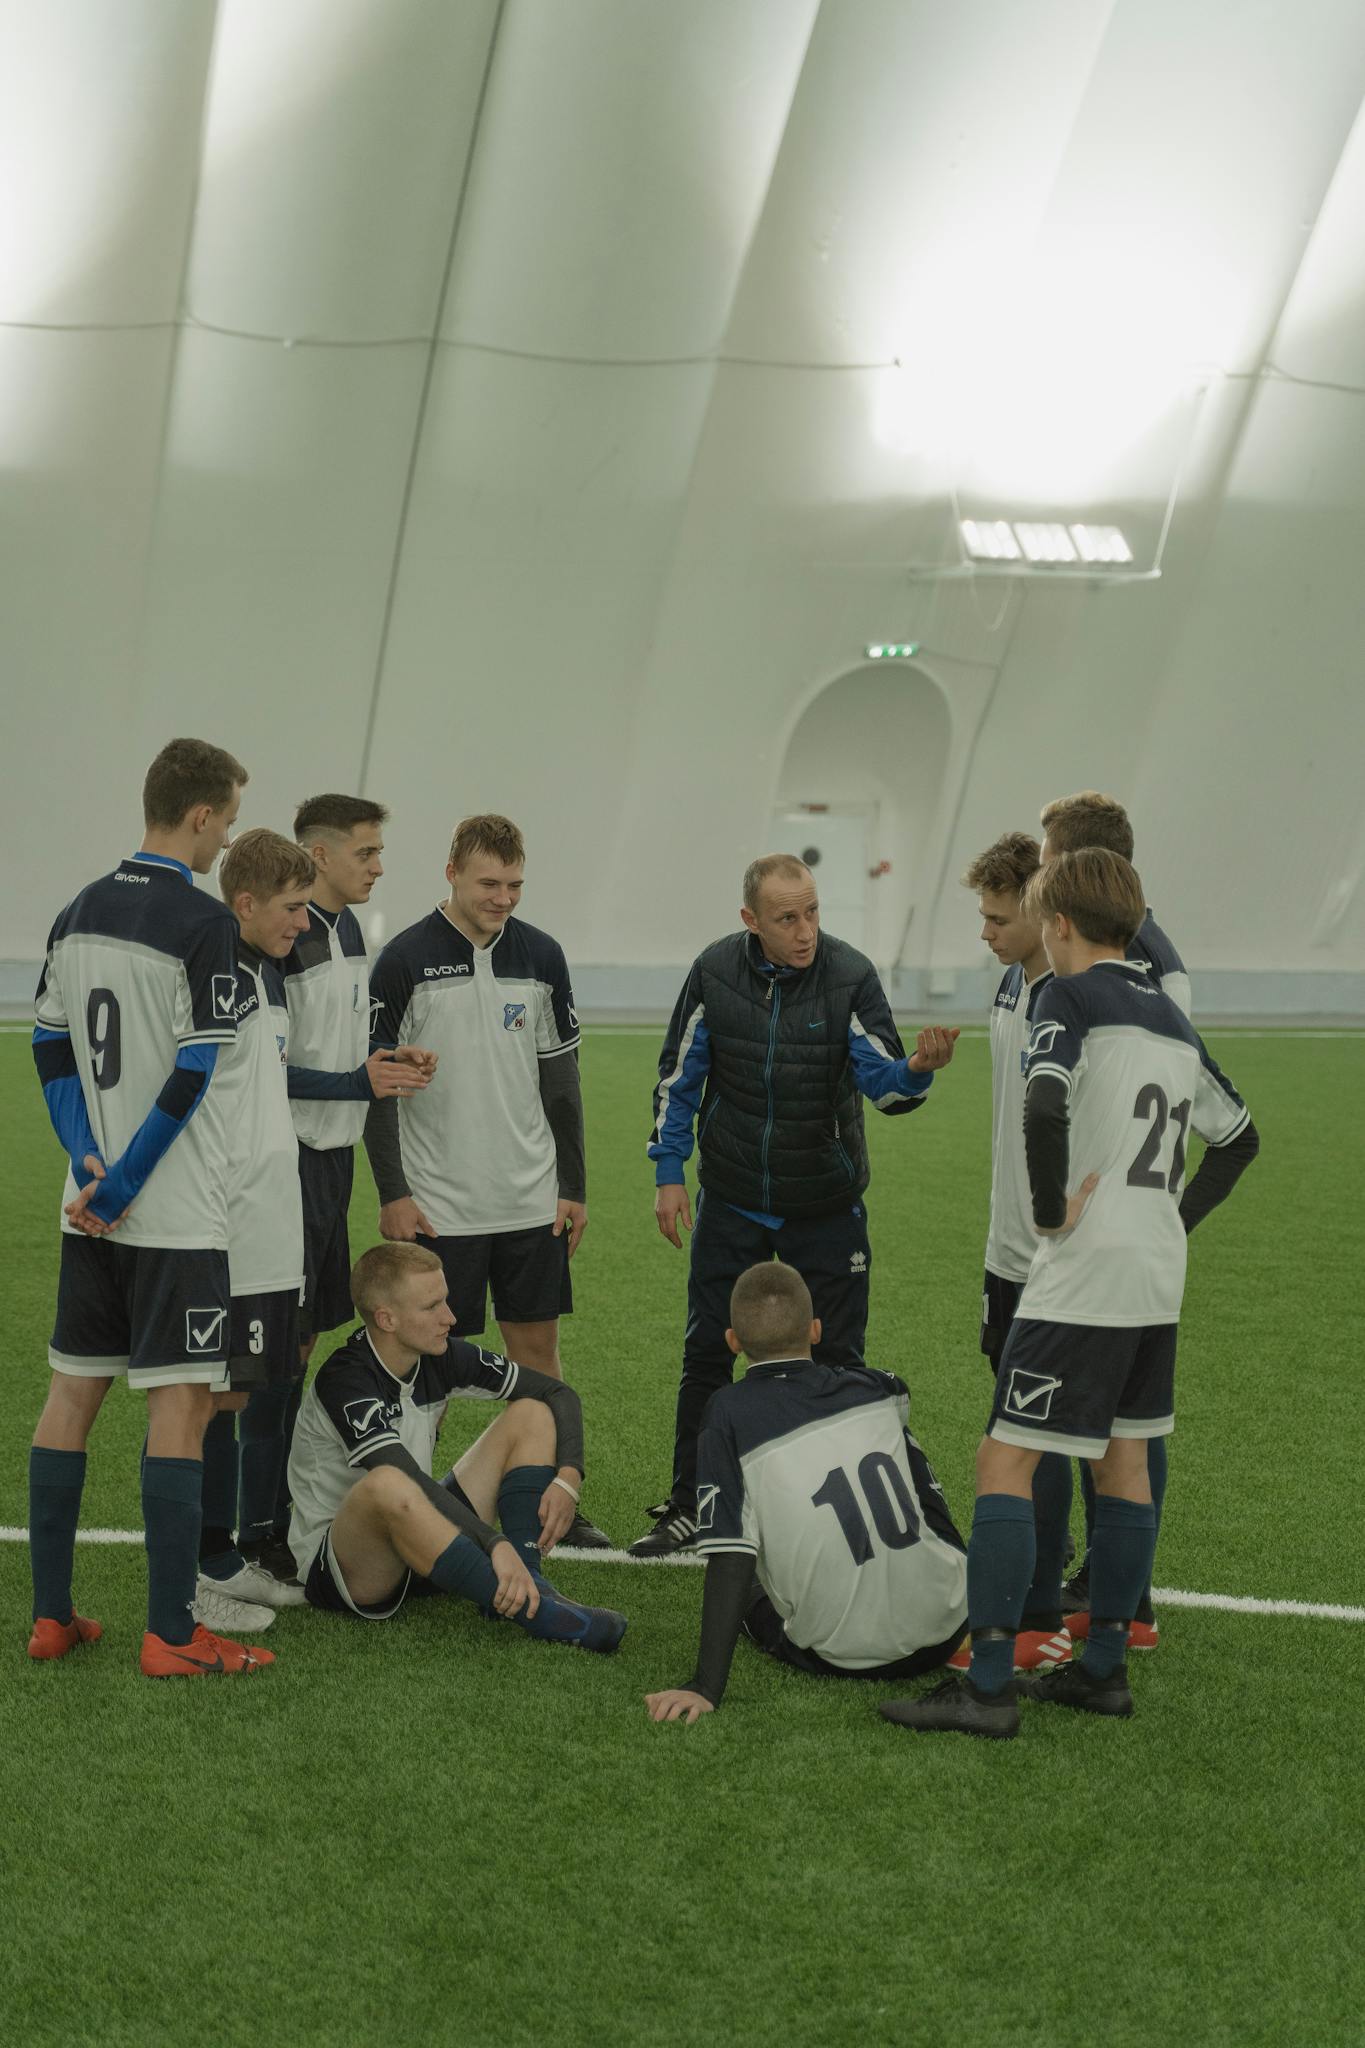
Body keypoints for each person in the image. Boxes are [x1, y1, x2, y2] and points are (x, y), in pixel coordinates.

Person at [881, 849, 1258, 1739]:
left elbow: (1043, 1104)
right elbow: (1238, 1139)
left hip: (1081, 1277)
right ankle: (1101, 1673)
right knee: (1122, 1464)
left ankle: (985, 1689)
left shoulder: (1066, 995)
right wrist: (1167, 1216)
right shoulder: (1168, 1015)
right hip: (1154, 1279)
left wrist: (1050, 1211)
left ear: (1055, 925)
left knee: (1003, 1460)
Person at [28, 736, 274, 1676]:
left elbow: (50, 1046)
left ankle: (54, 1616)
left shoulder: (77, 908)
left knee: (71, 1395)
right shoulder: (204, 920)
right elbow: (196, 1068)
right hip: (167, 1212)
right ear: (202, 815)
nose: (227, 841)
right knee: (181, 1404)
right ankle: (173, 1634)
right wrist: (127, 1179)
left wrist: (85, 1159)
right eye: (230, 820)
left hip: (82, 1205)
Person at [633, 853, 958, 1558]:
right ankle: (692, 1503)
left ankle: (826, 1516)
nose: (805, 929)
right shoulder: (715, 972)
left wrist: (918, 1072)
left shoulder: (849, 976)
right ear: (751, 921)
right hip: (734, 1197)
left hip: (825, 1204)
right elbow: (677, 1077)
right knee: (705, 1352)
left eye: (812, 912)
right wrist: (667, 1170)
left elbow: (885, 1085)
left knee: (836, 1359)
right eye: (787, 918)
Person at [363, 812, 610, 1550]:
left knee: (538, 1359)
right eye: (488, 883)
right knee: (427, 1367)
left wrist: (573, 1185)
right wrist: (392, 1193)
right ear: (451, 872)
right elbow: (378, 1088)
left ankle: (548, 1506)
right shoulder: (403, 959)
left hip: (528, 1199)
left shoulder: (541, 956)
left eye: (513, 885)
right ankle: (414, 1515)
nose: (502, 898)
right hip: (439, 1207)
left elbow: (561, 1082)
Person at [240, 793, 430, 1583]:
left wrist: (385, 1067)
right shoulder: (283, 941)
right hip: (286, 1164)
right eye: (366, 852)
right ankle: (253, 1529)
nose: (378, 866)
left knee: (307, 1338)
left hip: (332, 1162)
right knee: (272, 1353)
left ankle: (278, 1510)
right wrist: (359, 1079)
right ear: (318, 855)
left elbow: (346, 1052)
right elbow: (268, 1069)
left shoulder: (347, 927)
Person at [645, 1264, 967, 1722]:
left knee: (749, 1571)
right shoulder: (880, 1387)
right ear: (815, 1331)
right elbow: (929, 1498)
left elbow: (731, 1555)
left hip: (843, 1655)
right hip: (953, 1624)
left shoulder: (726, 1412)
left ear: (733, 1341)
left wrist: (705, 1686)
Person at [287, 1243, 625, 1652]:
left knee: (532, 1412)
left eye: (445, 1301)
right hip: (348, 1568)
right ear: (387, 1318)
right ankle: (538, 1614)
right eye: (432, 1307)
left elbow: (557, 1391)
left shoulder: (436, 1354)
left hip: (421, 1546)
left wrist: (569, 1476)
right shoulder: (346, 1379)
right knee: (388, 1482)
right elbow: (404, 1478)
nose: (450, 1317)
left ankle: (527, 1586)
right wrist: (492, 1541)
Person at [1038, 789, 1191, 1637]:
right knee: (1126, 1421)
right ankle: (1111, 1592)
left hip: (1104, 1225)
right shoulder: (1103, 949)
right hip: (1119, 1221)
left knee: (1124, 1427)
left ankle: (1114, 1587)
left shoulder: (1136, 963)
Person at [192, 829, 320, 1635]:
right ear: (245, 903)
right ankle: (191, 1575)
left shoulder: (267, 974)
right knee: (194, 1403)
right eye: (292, 907)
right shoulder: (206, 975)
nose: (303, 923)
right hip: (220, 1224)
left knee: (235, 1393)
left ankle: (219, 1556)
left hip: (273, 1223)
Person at [953, 830, 1072, 1676]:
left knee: (1035, 1431)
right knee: (1017, 1415)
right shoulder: (1007, 985)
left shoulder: (1073, 996)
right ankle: (1045, 1602)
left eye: (999, 918)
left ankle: (1037, 1615)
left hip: (1056, 1255)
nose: (986, 932)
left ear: (1041, 912)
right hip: (1005, 1248)